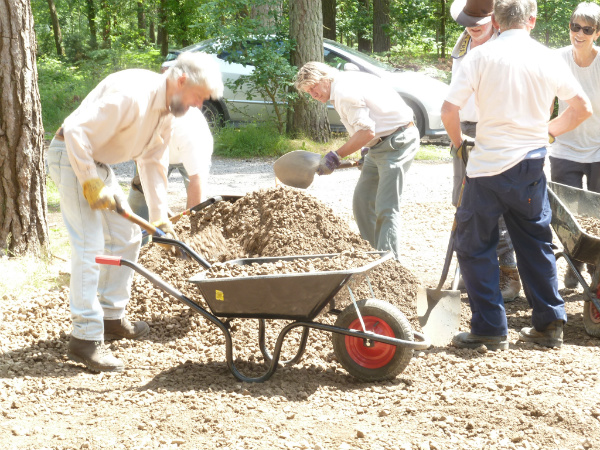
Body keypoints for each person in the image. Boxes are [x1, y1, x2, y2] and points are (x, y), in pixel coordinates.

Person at [46, 52, 224, 372]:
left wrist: (160, 217)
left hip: (96, 164)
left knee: (127, 235)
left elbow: (153, 162)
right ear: (181, 81)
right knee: (90, 245)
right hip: (71, 156)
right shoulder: (134, 96)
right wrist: (89, 182)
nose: (199, 105)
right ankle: (85, 339)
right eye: (199, 97)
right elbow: (74, 130)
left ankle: (111, 318)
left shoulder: (167, 112)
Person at [441, 0, 592, 350]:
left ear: (494, 19)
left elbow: (449, 109)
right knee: (535, 243)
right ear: (533, 19)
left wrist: (458, 143)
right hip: (530, 165)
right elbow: (582, 108)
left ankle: (490, 328)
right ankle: (549, 325)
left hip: (486, 167)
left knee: (475, 246)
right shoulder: (547, 58)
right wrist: (547, 133)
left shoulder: (479, 57)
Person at [294, 62, 419, 260]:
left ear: (325, 78)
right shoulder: (344, 82)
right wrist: (365, 149)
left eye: (313, 88)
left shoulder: (344, 92)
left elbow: (366, 131)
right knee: (362, 201)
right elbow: (373, 119)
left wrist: (335, 157)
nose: (313, 95)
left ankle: (389, 264)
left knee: (386, 206)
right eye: (308, 91)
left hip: (397, 142)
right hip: (379, 144)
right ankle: (373, 255)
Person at [449, 0, 522, 302]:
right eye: (468, 20)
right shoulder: (462, 46)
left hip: (494, 130)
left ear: (495, 18)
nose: (473, 24)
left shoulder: (505, 47)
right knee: (463, 202)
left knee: (497, 207)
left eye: (480, 19)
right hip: (462, 130)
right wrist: (456, 141)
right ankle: (475, 269)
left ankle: (509, 273)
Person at [549, 2, 600, 288]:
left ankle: (596, 271)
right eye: (574, 27)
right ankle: (574, 263)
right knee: (566, 214)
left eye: (587, 29)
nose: (579, 33)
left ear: (597, 33)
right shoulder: (557, 59)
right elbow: (545, 99)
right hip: (565, 147)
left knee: (597, 215)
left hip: (598, 149)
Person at [127, 106, 214, 232]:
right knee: (137, 202)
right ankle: (139, 246)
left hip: (188, 155)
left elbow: (196, 180)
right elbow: (138, 155)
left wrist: (186, 224)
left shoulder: (188, 133)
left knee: (196, 211)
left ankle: (192, 241)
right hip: (160, 155)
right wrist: (158, 207)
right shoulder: (142, 123)